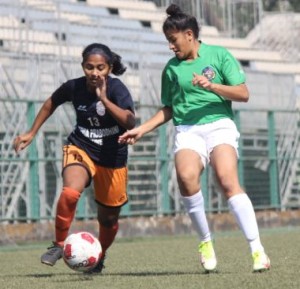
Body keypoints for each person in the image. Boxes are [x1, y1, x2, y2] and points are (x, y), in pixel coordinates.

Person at [119, 4, 270, 273]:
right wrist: (142, 129)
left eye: (173, 40)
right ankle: (205, 242)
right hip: (188, 129)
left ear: (189, 35)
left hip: (220, 125)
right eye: (168, 41)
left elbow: (243, 93)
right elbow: (169, 108)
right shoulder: (171, 69)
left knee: (226, 180)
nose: (170, 47)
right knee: (187, 179)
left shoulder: (219, 55)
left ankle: (257, 248)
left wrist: (213, 86)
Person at [13, 43, 135, 273]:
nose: (95, 72)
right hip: (81, 147)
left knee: (108, 219)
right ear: (83, 67)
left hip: (113, 157)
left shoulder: (117, 89)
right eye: (89, 67)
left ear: (109, 68)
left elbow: (130, 121)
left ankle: (99, 256)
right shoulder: (74, 87)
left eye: (100, 67)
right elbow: (51, 102)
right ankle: (59, 244)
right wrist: (31, 132)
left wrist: (105, 100)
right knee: (70, 192)